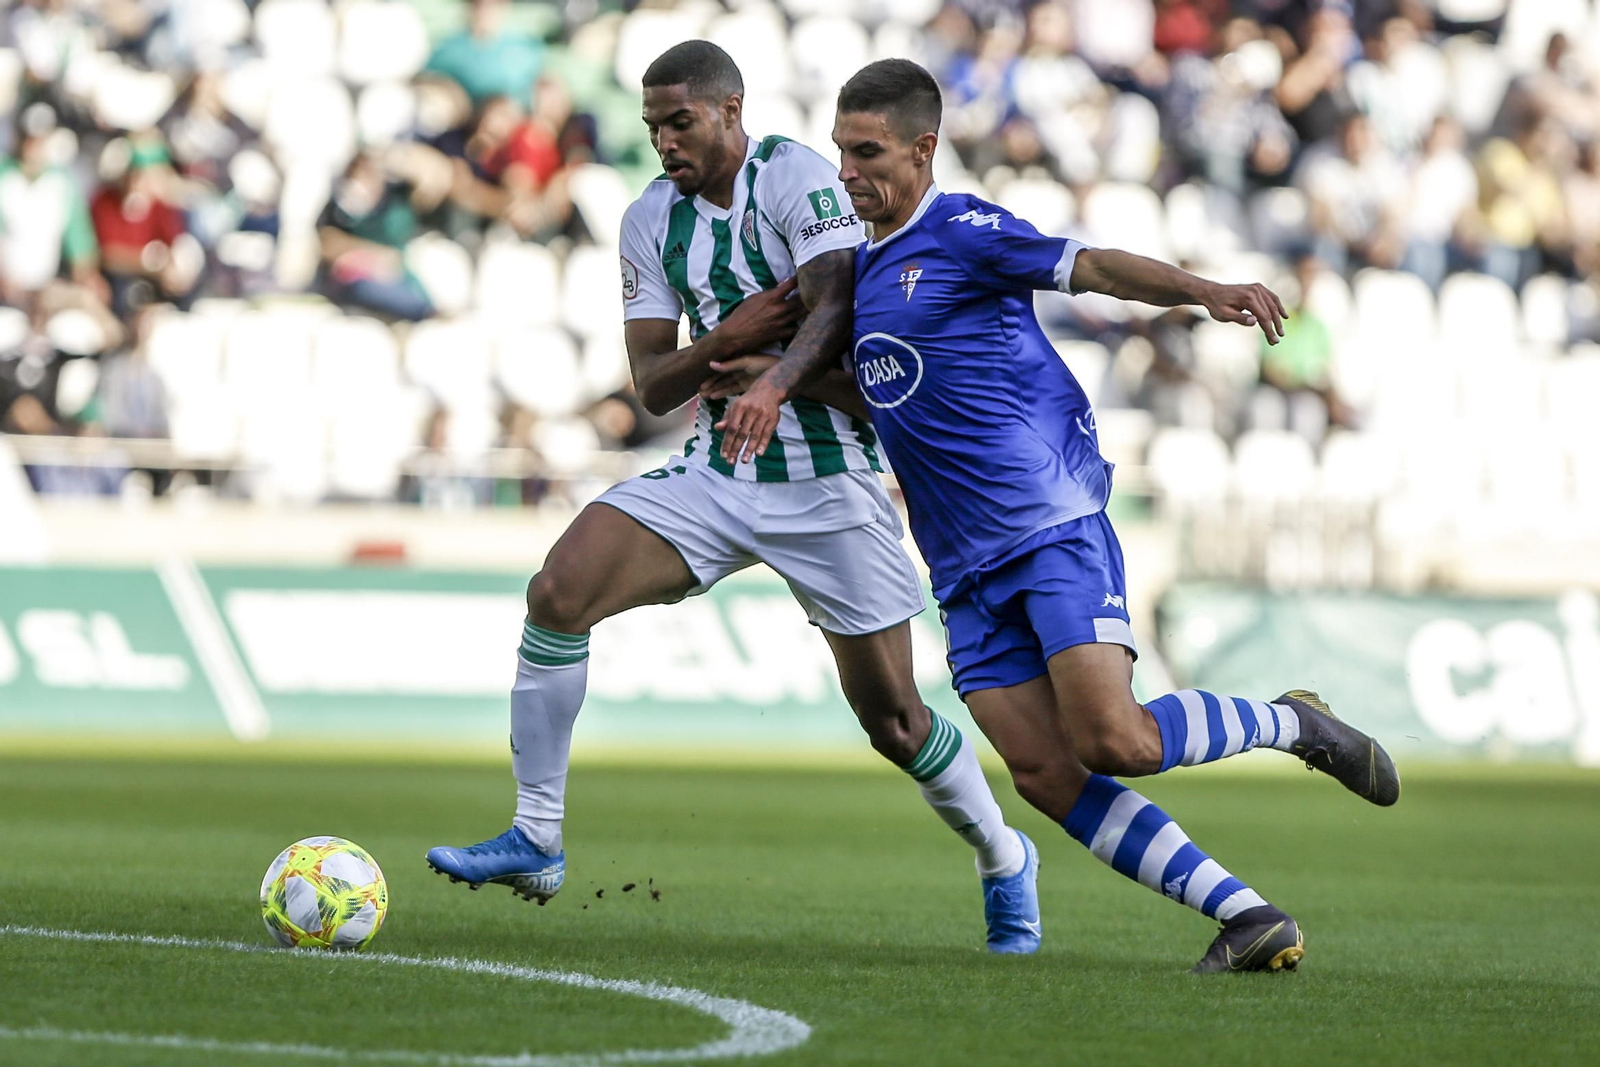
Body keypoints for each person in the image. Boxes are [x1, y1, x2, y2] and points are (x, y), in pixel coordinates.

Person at [716, 59, 1401, 974]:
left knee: (1117, 738)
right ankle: (1248, 916)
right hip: (959, 566)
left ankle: (1294, 722)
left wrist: (1203, 289)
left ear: (924, 149)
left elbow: (1096, 268)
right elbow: (892, 396)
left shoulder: (963, 230)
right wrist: (758, 373)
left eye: (867, 151)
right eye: (840, 151)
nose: (847, 171)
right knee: (1041, 771)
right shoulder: (863, 278)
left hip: (1046, 524)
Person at [425, 42, 1043, 955]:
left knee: (896, 720)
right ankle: (538, 837)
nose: (665, 141)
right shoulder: (647, 220)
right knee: (558, 591)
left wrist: (770, 382)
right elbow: (654, 383)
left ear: (729, 110)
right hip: (719, 472)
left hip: (831, 481)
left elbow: (834, 308)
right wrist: (734, 334)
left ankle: (1003, 856)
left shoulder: (795, 177)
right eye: (651, 127)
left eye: (680, 122)